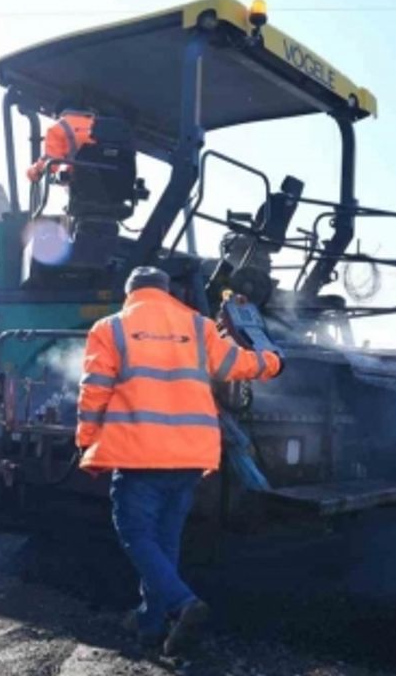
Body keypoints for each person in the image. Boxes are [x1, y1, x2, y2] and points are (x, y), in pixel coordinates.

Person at [76, 266, 283, 654]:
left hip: (139, 457)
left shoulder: (111, 328)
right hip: (189, 457)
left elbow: (95, 390)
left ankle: (183, 604)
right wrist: (274, 362)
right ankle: (151, 625)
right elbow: (236, 365)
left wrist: (87, 440)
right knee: (165, 542)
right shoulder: (200, 326)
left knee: (136, 536)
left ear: (130, 292)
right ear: (167, 291)